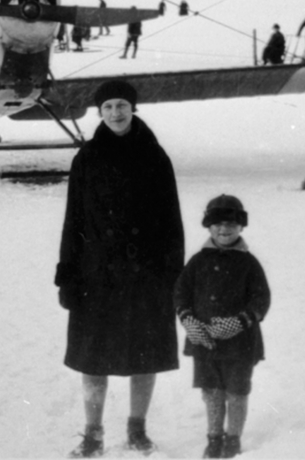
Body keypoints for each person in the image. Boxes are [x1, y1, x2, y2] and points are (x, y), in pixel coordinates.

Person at [56, 80, 185, 457]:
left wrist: (171, 274)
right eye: (109, 106)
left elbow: (171, 222)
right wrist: (68, 274)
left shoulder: (155, 156)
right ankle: (93, 434)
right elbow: (73, 220)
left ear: (133, 109)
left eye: (122, 106)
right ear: (100, 112)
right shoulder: (87, 158)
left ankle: (137, 430)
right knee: (92, 357)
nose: (116, 113)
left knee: (145, 355)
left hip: (146, 275)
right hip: (97, 276)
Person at [175, 194, 270, 459]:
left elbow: (261, 299)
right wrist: (188, 320)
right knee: (212, 391)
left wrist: (240, 322)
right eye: (217, 224)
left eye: (231, 224)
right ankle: (214, 437)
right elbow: (180, 293)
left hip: (241, 344)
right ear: (208, 226)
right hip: (204, 341)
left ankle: (233, 439)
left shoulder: (249, 264)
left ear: (241, 227)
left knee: (237, 391)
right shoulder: (197, 261)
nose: (224, 229)